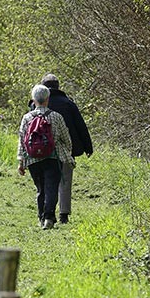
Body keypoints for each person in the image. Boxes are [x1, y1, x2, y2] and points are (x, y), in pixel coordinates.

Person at [36, 73, 93, 223]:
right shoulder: (68, 103)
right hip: (65, 149)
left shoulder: (35, 104)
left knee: (45, 183)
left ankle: (45, 214)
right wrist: (88, 146)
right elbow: (81, 126)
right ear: (58, 86)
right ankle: (63, 214)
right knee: (65, 180)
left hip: (41, 150)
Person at [17, 84, 75, 230]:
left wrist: (21, 161)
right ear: (48, 99)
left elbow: (22, 141)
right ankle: (49, 217)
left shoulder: (27, 118)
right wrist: (67, 154)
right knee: (51, 188)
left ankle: (41, 217)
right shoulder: (56, 117)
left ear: (33, 99)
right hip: (53, 157)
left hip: (32, 159)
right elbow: (66, 139)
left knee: (40, 189)